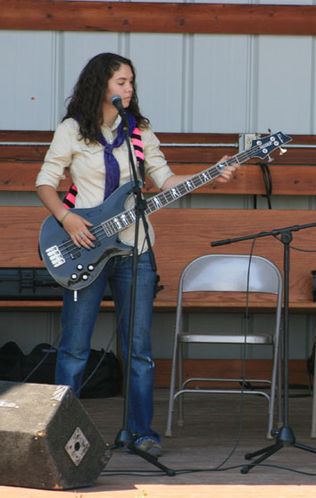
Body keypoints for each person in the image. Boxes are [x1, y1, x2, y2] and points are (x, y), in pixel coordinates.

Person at [36, 52, 236, 457]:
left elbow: (163, 180)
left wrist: (213, 173)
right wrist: (68, 218)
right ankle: (61, 434)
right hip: (83, 246)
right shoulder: (72, 130)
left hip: (135, 249)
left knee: (139, 348)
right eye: (121, 82)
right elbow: (44, 183)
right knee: (74, 347)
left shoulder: (139, 131)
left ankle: (141, 432)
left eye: (131, 83)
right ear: (101, 85)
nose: (129, 89)